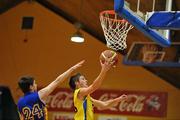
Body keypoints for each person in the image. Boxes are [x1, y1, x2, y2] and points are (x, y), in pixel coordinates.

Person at [17, 60, 85, 120]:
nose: (36, 85)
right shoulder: (38, 95)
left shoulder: (19, 102)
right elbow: (57, 81)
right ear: (31, 87)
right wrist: (72, 68)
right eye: (34, 83)